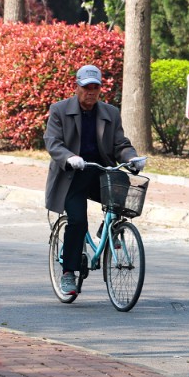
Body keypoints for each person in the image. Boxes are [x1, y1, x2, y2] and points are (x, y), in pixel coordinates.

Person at [44, 64, 146, 295]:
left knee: (121, 180)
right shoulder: (59, 110)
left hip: (99, 170)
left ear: (100, 89)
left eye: (95, 87)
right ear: (77, 87)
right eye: (86, 87)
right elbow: (53, 142)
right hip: (71, 176)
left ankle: (108, 228)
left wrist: (133, 158)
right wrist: (69, 157)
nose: (90, 92)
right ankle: (68, 274)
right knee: (78, 222)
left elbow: (120, 144)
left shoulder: (110, 113)